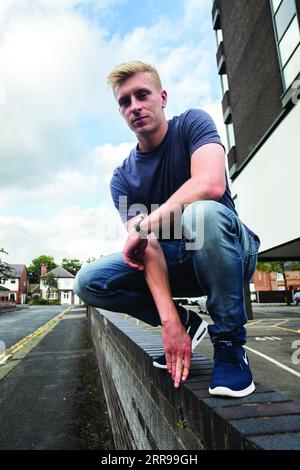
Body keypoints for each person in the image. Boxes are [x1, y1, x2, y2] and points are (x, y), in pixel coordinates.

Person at [74, 60, 260, 397]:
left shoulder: (192, 124)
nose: (135, 106)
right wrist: (169, 321)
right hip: (176, 263)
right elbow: (148, 248)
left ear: (162, 97)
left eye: (142, 95)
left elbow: (210, 184)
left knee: (201, 214)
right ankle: (187, 322)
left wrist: (144, 225)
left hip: (228, 252)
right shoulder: (123, 178)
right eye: (125, 102)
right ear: (121, 113)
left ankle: (231, 345)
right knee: (88, 281)